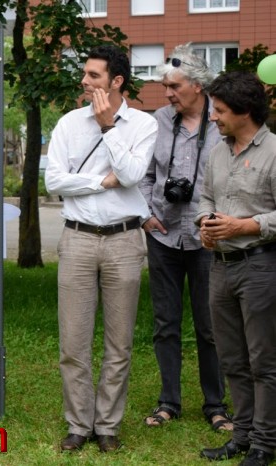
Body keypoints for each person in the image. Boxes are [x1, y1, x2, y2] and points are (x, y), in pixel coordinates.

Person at [44, 45, 158, 453]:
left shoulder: (143, 124)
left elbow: (131, 174)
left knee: (119, 343)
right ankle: (79, 424)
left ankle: (107, 425)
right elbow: (54, 182)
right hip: (77, 238)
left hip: (124, 240)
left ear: (116, 81)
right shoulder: (68, 123)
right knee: (73, 342)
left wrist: (109, 126)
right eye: (85, 73)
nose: (84, 80)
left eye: (93, 75)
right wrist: (99, 182)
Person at [139, 44, 230, 431]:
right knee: (166, 323)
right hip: (163, 237)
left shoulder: (223, 120)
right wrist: (146, 214)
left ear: (197, 85)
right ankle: (168, 402)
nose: (168, 93)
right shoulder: (158, 120)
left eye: (174, 86)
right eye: (165, 86)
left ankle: (216, 404)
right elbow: (144, 175)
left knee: (211, 326)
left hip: (209, 239)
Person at [197, 71, 276, 466]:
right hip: (220, 268)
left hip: (260, 267)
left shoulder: (274, 152)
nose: (213, 117)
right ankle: (242, 437)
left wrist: (245, 226)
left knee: (264, 362)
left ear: (245, 111)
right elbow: (205, 197)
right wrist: (205, 225)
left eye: (220, 110)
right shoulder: (217, 152)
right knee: (231, 359)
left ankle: (265, 444)